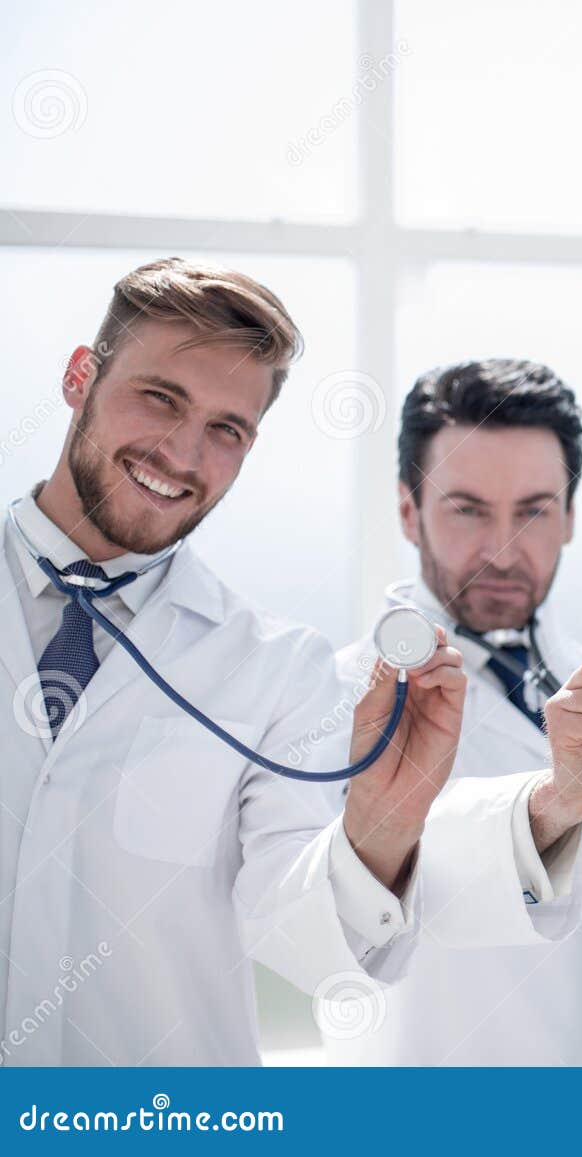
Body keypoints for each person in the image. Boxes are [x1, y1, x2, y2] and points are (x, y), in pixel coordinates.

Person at [0, 258, 465, 1066]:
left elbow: (302, 937)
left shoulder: (277, 670)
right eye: (160, 397)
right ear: (81, 376)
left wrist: (381, 826)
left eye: (227, 429)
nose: (183, 454)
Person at [320, 359, 582, 1065]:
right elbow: (353, 924)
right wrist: (549, 808)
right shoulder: (337, 699)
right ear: (409, 511)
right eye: (466, 508)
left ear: (570, 516)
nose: (501, 549)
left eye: (533, 510)